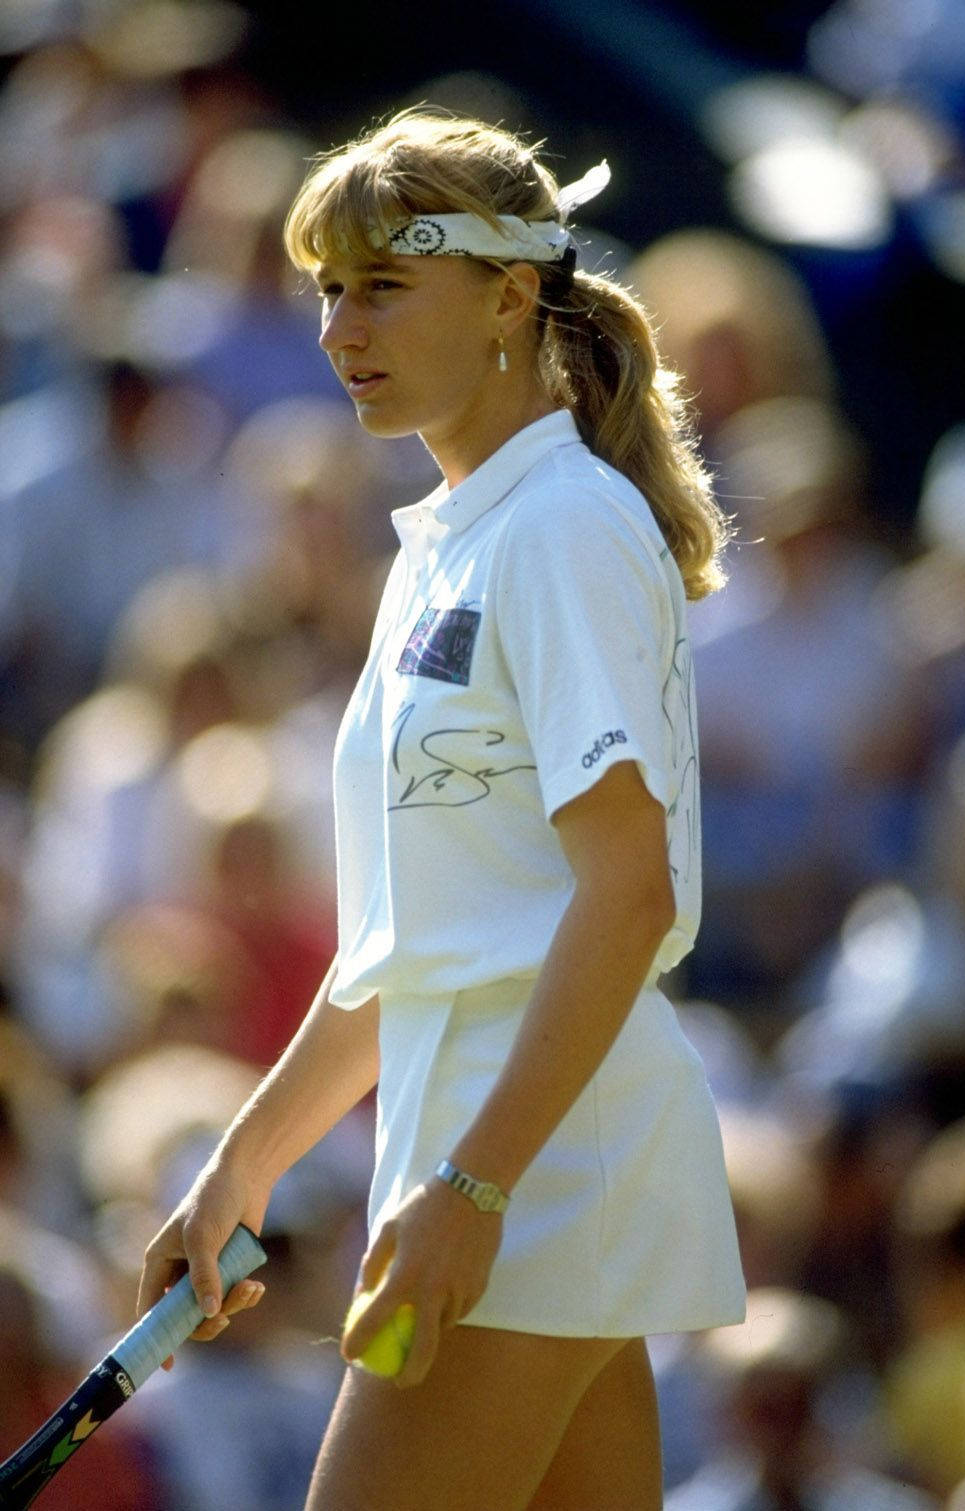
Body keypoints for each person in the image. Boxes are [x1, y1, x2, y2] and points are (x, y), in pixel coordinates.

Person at [137, 108, 746, 1511]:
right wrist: (244, 1166)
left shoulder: (561, 529)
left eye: (385, 284)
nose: (342, 325)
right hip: (515, 1159)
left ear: (511, 295)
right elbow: (408, 952)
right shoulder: (452, 543)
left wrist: (472, 1191)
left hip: (528, 1170)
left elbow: (629, 894)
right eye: (327, 290)